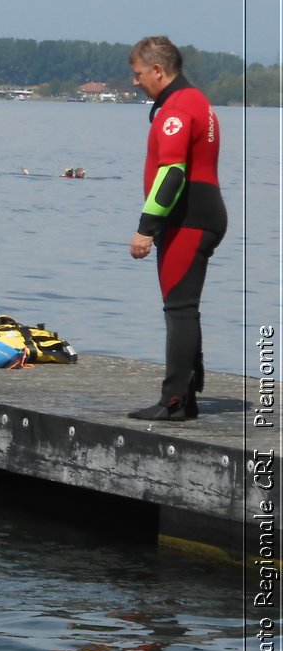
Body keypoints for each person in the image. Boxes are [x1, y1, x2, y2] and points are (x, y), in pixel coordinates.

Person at [126, 35, 226, 421]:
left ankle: (174, 402)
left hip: (189, 219)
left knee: (179, 310)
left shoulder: (177, 110)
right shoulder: (196, 100)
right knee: (185, 309)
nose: (135, 82)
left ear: (158, 70)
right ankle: (187, 394)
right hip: (204, 213)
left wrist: (146, 229)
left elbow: (171, 176)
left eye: (138, 74)